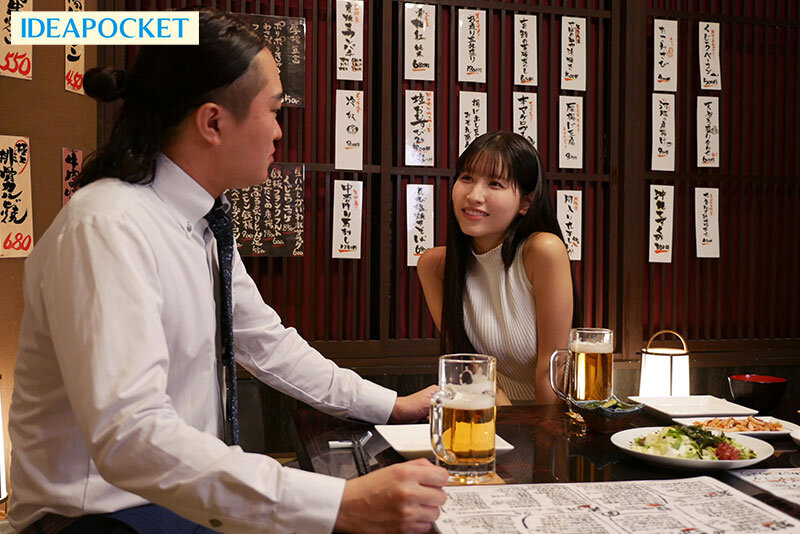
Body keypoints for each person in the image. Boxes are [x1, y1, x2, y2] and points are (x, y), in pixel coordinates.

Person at [8, 9, 447, 534]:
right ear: (213, 122)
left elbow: (267, 345)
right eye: (274, 111)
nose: (279, 131)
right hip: (98, 515)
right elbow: (130, 435)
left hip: (174, 501)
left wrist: (392, 405)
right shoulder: (108, 225)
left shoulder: (203, 221)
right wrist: (340, 503)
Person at [417, 131, 580, 405]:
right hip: (491, 414)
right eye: (467, 178)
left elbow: (552, 370)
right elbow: (470, 367)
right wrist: (505, 424)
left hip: (553, 415)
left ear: (526, 203)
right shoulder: (434, 266)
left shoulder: (543, 251)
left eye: (495, 183)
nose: (474, 195)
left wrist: (541, 431)